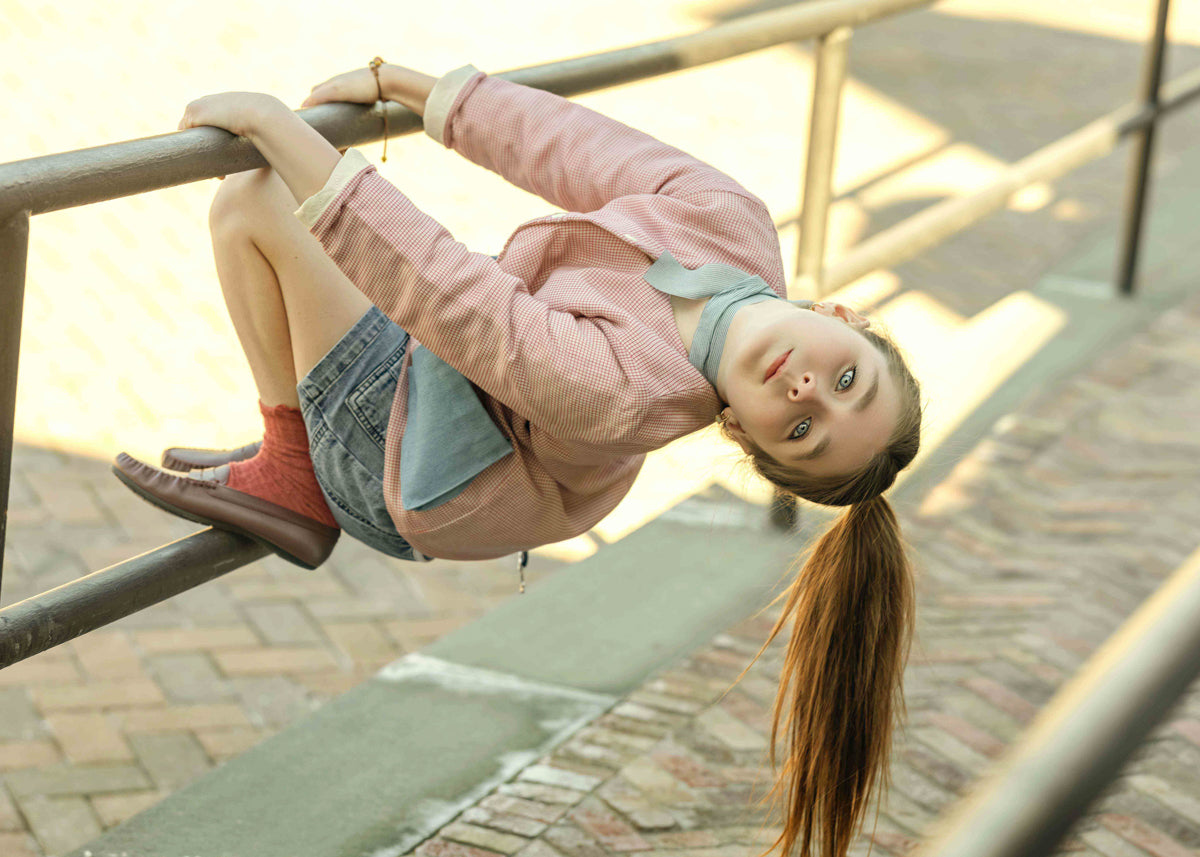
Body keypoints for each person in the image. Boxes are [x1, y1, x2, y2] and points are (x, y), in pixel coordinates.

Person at [110, 60, 922, 857]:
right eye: (848, 378)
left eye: (802, 430)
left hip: (411, 458)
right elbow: (575, 146)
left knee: (256, 195)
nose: (808, 390)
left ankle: (300, 469)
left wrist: (275, 124)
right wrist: (414, 89)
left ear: (742, 433)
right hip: (454, 379)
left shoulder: (626, 393)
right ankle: (293, 459)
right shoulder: (734, 224)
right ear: (842, 314)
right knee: (296, 190)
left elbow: (452, 294)